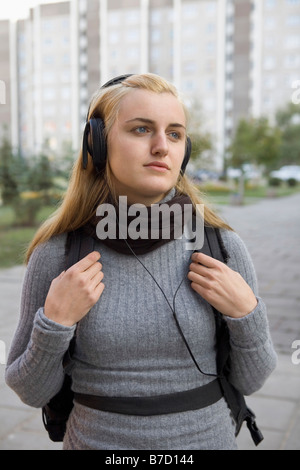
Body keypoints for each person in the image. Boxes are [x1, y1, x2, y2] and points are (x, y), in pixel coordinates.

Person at [5, 73, 277, 450]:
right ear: (97, 145)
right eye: (141, 129)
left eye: (175, 134)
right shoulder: (58, 254)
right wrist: (55, 324)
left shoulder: (222, 247)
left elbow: (252, 380)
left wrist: (247, 315)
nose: (162, 146)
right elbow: (30, 391)